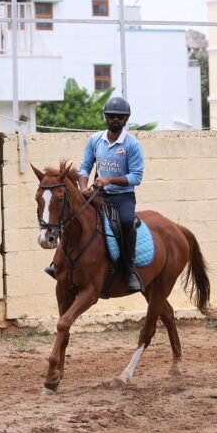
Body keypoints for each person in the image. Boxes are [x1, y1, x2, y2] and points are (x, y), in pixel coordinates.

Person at [44, 96, 145, 293]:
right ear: (105, 117)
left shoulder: (132, 145)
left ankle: (130, 270)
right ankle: (57, 263)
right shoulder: (95, 140)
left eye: (119, 117)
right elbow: (85, 167)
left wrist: (109, 180)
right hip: (98, 194)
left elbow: (136, 177)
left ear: (126, 120)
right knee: (72, 216)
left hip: (122, 196)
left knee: (125, 222)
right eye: (111, 116)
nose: (115, 119)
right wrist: (82, 187)